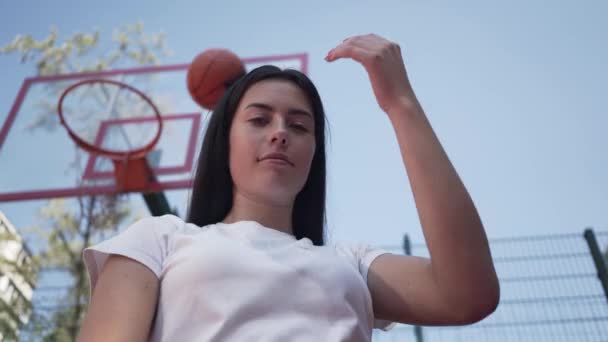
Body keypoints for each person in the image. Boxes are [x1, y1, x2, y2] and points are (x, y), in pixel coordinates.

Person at [77, 34, 499, 341]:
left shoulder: (350, 263)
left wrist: (400, 104)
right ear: (224, 141)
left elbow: (467, 295)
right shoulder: (160, 239)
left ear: (315, 153)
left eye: (299, 126)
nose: (280, 133)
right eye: (259, 120)